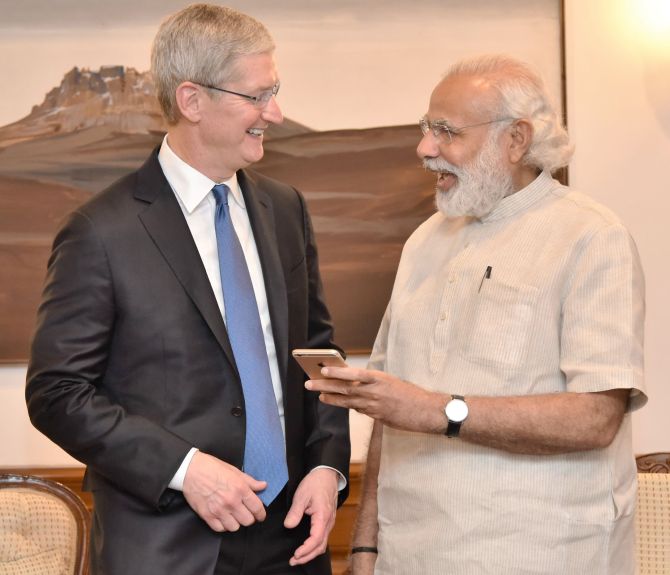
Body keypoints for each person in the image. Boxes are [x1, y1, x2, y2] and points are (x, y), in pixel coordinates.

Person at [25, 4, 350, 575]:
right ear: (192, 100)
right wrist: (185, 468)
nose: (274, 113)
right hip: (169, 547)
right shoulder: (101, 231)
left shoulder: (284, 209)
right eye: (257, 95)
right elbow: (57, 393)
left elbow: (317, 355)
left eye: (274, 91)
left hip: (294, 543)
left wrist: (328, 468)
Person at [308, 54, 646, 575]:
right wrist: (365, 547)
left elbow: (596, 417)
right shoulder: (424, 241)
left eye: (446, 131)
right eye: (426, 129)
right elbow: (393, 408)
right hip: (409, 557)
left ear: (516, 140)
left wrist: (439, 409)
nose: (425, 149)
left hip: (541, 555)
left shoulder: (591, 237)